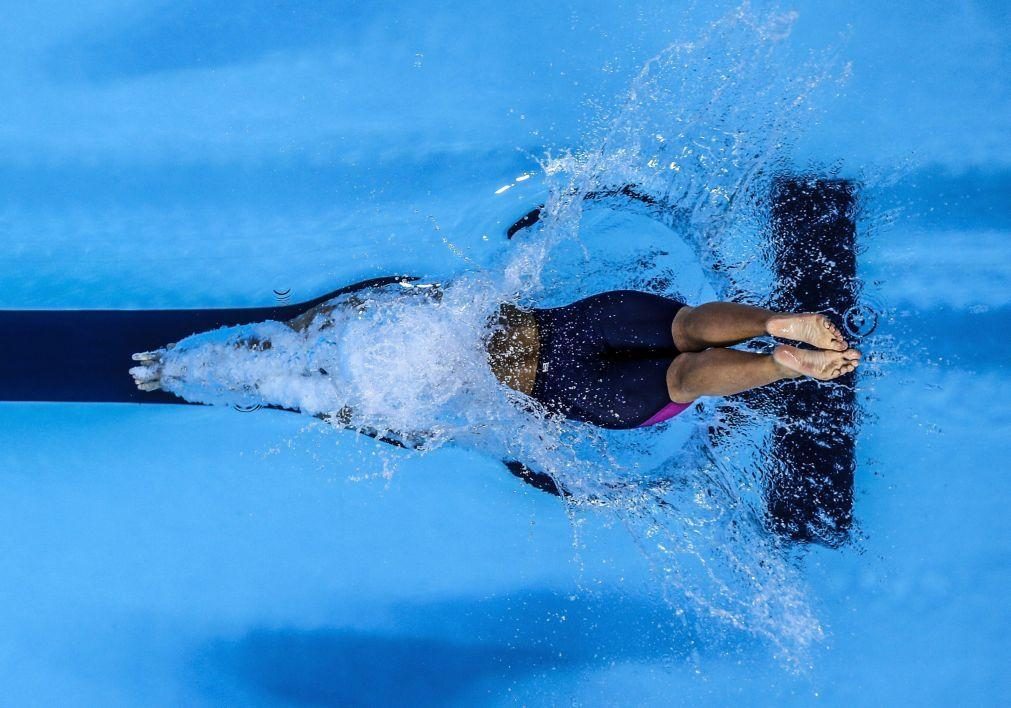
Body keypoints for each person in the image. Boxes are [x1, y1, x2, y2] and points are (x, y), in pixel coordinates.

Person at [131, 289, 861, 430]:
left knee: (678, 380)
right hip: (564, 324)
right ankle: (773, 322)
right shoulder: (390, 319)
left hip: (549, 385)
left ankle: (778, 364)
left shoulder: (356, 396)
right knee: (682, 326)